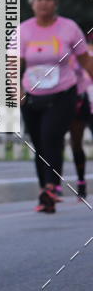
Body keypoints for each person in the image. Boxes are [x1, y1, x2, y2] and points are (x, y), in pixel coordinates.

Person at [20, 0, 93, 214]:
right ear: (32, 4)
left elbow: (85, 61)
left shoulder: (69, 28)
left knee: (51, 135)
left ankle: (52, 187)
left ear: (56, 3)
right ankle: (45, 192)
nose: (44, 2)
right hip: (32, 95)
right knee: (39, 143)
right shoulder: (23, 30)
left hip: (63, 92)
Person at [67, 56, 90, 200]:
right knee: (73, 143)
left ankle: (81, 183)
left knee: (76, 143)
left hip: (84, 99)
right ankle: (80, 182)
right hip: (76, 101)